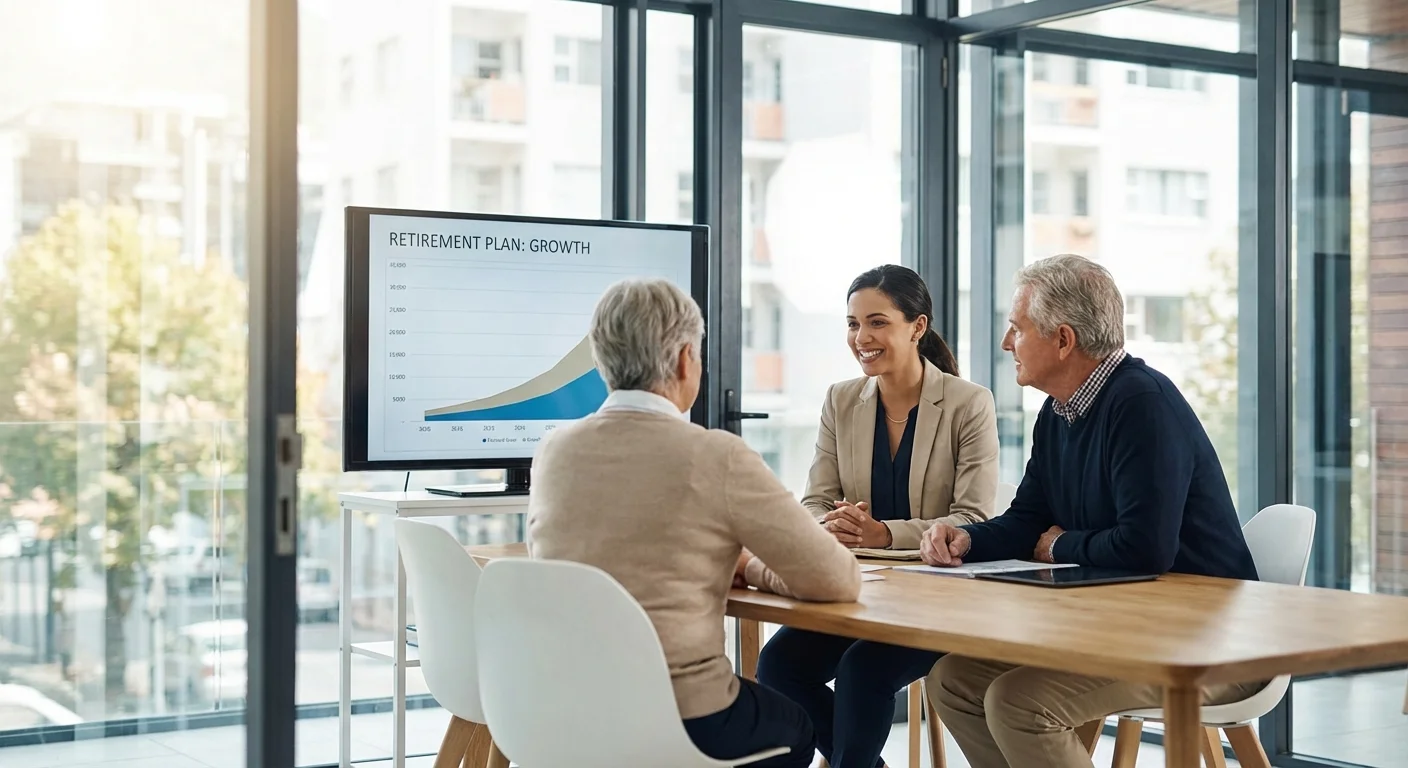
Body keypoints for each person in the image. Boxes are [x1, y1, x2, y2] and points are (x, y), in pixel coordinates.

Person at [919, 254, 1260, 768]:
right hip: (1121, 629)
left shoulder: (1143, 404)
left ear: (1062, 339)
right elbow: (1028, 519)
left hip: (1206, 642)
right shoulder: (1058, 412)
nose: (1006, 343)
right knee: (953, 680)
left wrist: (1059, 544)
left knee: (1019, 701)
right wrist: (969, 540)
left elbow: (1145, 548)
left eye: (1017, 328)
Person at [528, 277, 862, 768]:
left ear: (602, 361)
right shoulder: (714, 455)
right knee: (795, 727)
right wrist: (748, 567)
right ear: (686, 359)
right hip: (681, 717)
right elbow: (838, 578)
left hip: (569, 710)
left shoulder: (554, 451)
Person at [757, 264, 999, 768]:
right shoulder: (841, 399)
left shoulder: (968, 404)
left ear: (918, 326)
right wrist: (833, 523)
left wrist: (884, 533)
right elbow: (815, 500)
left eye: (876, 322)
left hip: (940, 597)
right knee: (778, 664)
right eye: (852, 324)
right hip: (863, 591)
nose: (861, 337)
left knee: (863, 669)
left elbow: (973, 516)